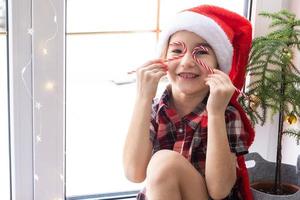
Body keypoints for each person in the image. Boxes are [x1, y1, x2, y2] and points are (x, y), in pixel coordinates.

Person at [123, 4, 255, 200]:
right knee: (164, 165)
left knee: (165, 163)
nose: (187, 62)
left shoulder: (226, 113)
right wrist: (143, 98)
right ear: (163, 59)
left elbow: (219, 190)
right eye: (177, 50)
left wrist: (216, 113)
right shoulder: (155, 109)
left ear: (218, 66)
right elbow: (134, 173)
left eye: (201, 52)